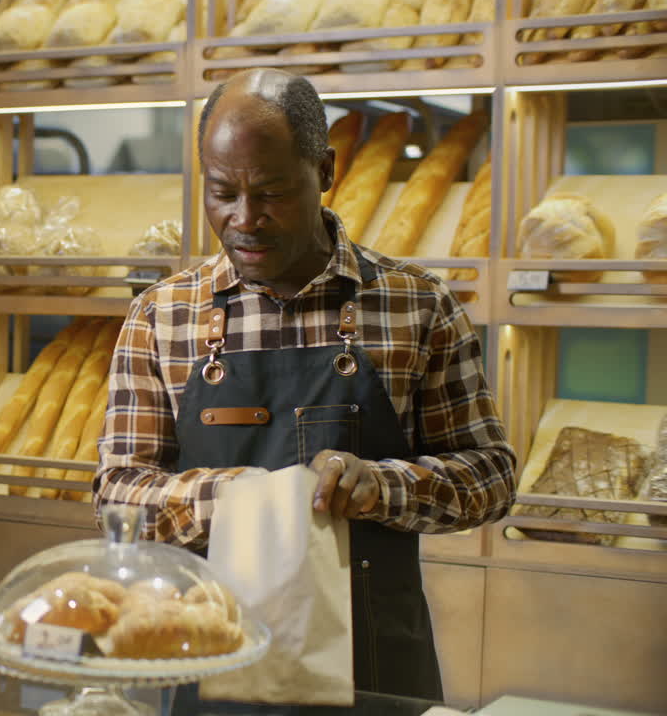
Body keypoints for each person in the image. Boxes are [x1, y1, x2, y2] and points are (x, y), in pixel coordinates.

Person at [95, 68, 517, 700]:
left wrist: (381, 485)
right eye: (222, 193)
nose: (245, 219)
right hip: (213, 668)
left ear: (326, 171)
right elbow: (118, 495)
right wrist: (242, 499)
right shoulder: (161, 314)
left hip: (374, 669)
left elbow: (492, 477)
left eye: (271, 192)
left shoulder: (417, 304)